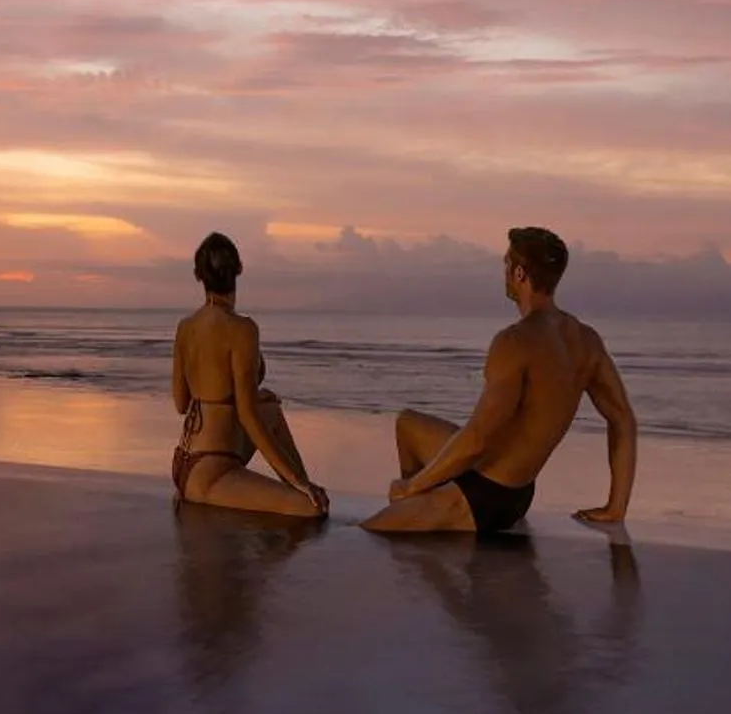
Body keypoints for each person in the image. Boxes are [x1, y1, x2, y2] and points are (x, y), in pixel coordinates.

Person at [360, 226, 636, 534]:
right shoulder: (587, 340)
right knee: (407, 424)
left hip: (487, 498)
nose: (504, 272)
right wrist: (616, 507)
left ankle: (428, 506)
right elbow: (623, 419)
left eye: (506, 264)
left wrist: (411, 486)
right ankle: (424, 508)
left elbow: (477, 439)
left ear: (519, 273)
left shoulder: (515, 342)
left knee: (367, 532)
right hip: (520, 489)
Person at [170, 233, 329, 518]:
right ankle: (303, 489)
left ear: (198, 276)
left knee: (270, 409)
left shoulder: (186, 327)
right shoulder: (242, 329)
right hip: (212, 474)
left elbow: (182, 404)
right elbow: (247, 415)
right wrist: (297, 480)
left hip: (184, 462)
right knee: (311, 511)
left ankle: (302, 486)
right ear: (240, 268)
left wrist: (252, 398)